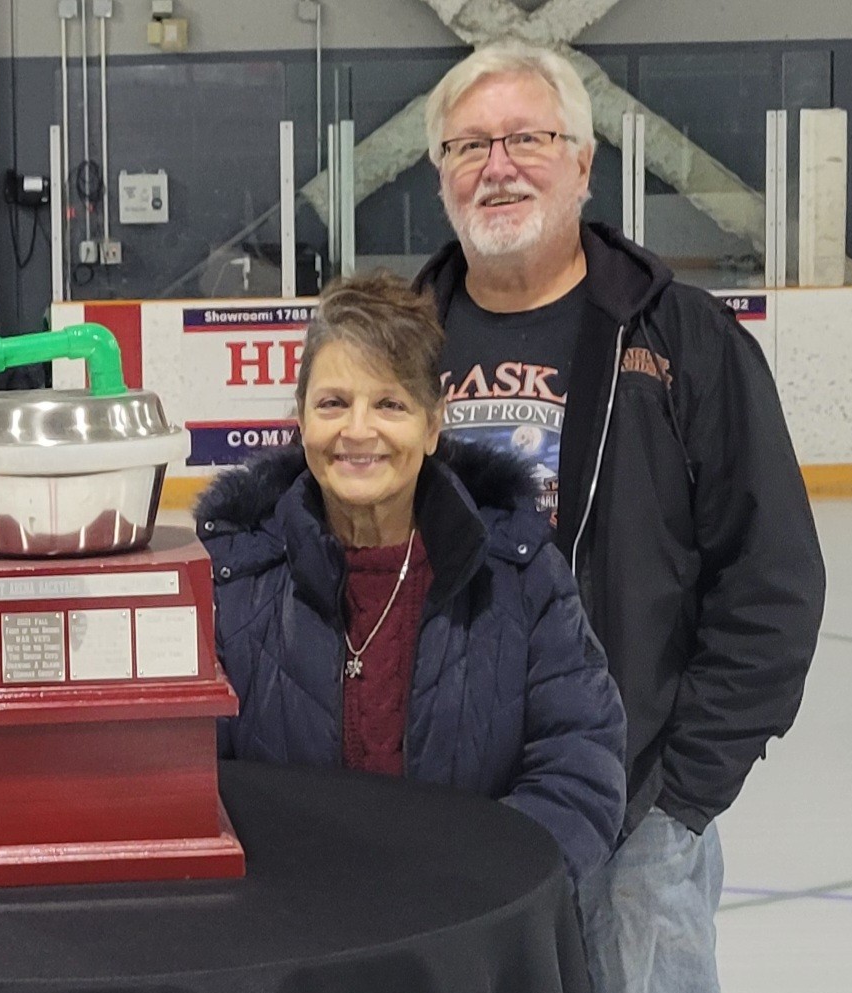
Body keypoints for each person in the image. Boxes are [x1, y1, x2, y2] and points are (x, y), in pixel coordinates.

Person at [417, 41, 827, 993]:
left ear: (584, 164)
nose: (499, 166)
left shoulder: (678, 338)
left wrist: (683, 794)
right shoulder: (397, 337)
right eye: (469, 146)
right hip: (447, 829)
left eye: (526, 138)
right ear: (438, 175)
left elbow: (771, 580)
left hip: (632, 816)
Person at [197, 270, 626, 888]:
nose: (357, 430)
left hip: (466, 925)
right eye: (333, 403)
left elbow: (580, 766)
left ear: (431, 426)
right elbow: (193, 781)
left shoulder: (520, 572)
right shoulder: (232, 578)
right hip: (290, 927)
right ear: (301, 419)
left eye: (390, 404)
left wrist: (478, 891)